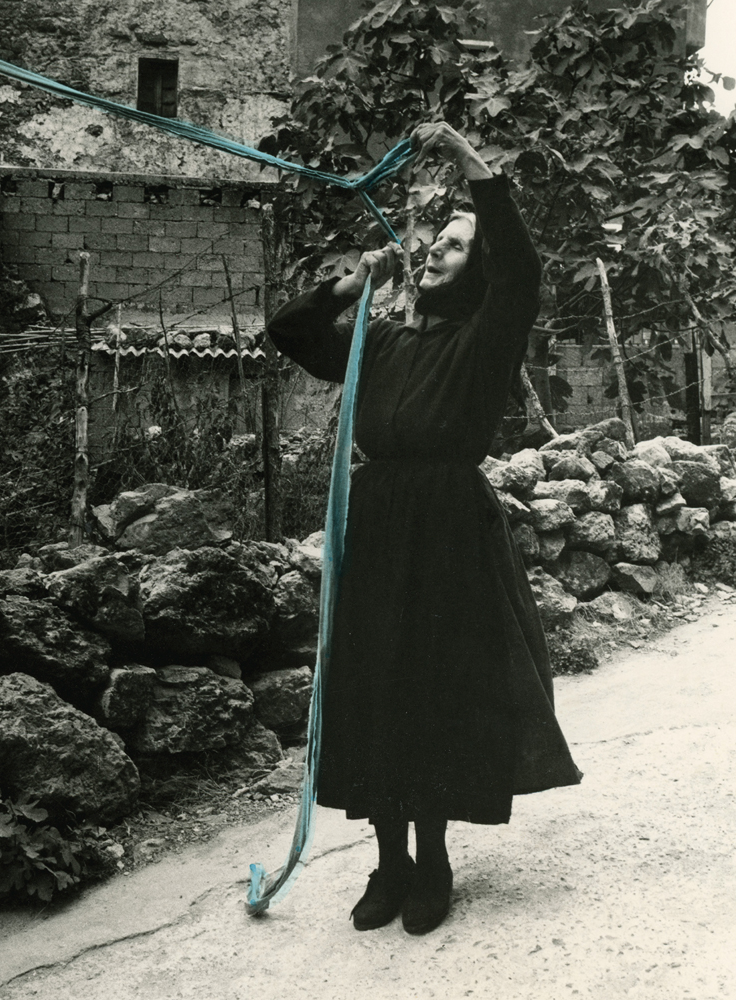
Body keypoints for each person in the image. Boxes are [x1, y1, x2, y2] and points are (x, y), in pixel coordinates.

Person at [268, 122, 582, 936]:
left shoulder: (486, 338)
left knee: (433, 690)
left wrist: (464, 156)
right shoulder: (381, 340)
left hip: (446, 530)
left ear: (476, 268)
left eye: (453, 243)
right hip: (375, 526)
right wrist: (344, 288)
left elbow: (520, 263)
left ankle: (433, 861)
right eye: (434, 240)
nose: (435, 251)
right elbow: (289, 335)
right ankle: (388, 862)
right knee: (373, 687)